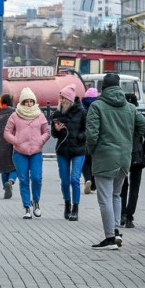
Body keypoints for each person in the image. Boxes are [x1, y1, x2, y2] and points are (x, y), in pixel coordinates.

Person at [85, 73, 145, 249]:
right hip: (124, 158)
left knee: (105, 198)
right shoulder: (130, 107)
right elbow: (144, 127)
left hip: (104, 156)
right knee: (116, 195)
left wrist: (92, 150)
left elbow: (92, 134)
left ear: (103, 88)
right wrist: (127, 139)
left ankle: (110, 237)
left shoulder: (96, 106)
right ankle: (117, 232)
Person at [3, 88, 51, 219]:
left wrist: (40, 140)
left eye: (31, 101)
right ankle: (27, 207)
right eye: (26, 101)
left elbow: (47, 131)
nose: (29, 104)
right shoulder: (15, 115)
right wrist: (16, 141)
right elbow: (7, 132)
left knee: (37, 178)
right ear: (22, 102)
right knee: (23, 180)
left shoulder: (40, 115)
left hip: (36, 152)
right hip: (20, 152)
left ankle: (36, 201)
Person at [51, 86, 88, 221]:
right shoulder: (57, 114)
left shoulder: (82, 112)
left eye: (63, 98)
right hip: (63, 150)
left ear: (69, 99)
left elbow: (88, 130)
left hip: (78, 150)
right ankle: (67, 204)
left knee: (75, 179)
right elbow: (54, 135)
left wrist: (80, 136)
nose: (61, 101)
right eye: (60, 98)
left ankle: (75, 208)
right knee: (65, 181)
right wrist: (56, 129)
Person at [121, 92, 145, 229]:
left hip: (123, 154)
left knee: (122, 186)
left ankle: (122, 214)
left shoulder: (121, 117)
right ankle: (130, 217)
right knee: (134, 187)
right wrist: (144, 150)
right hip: (137, 154)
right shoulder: (140, 117)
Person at [81, 86, 100, 194]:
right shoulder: (98, 106)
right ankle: (94, 185)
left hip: (84, 138)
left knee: (85, 161)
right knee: (94, 161)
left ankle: (87, 179)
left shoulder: (82, 106)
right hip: (95, 138)